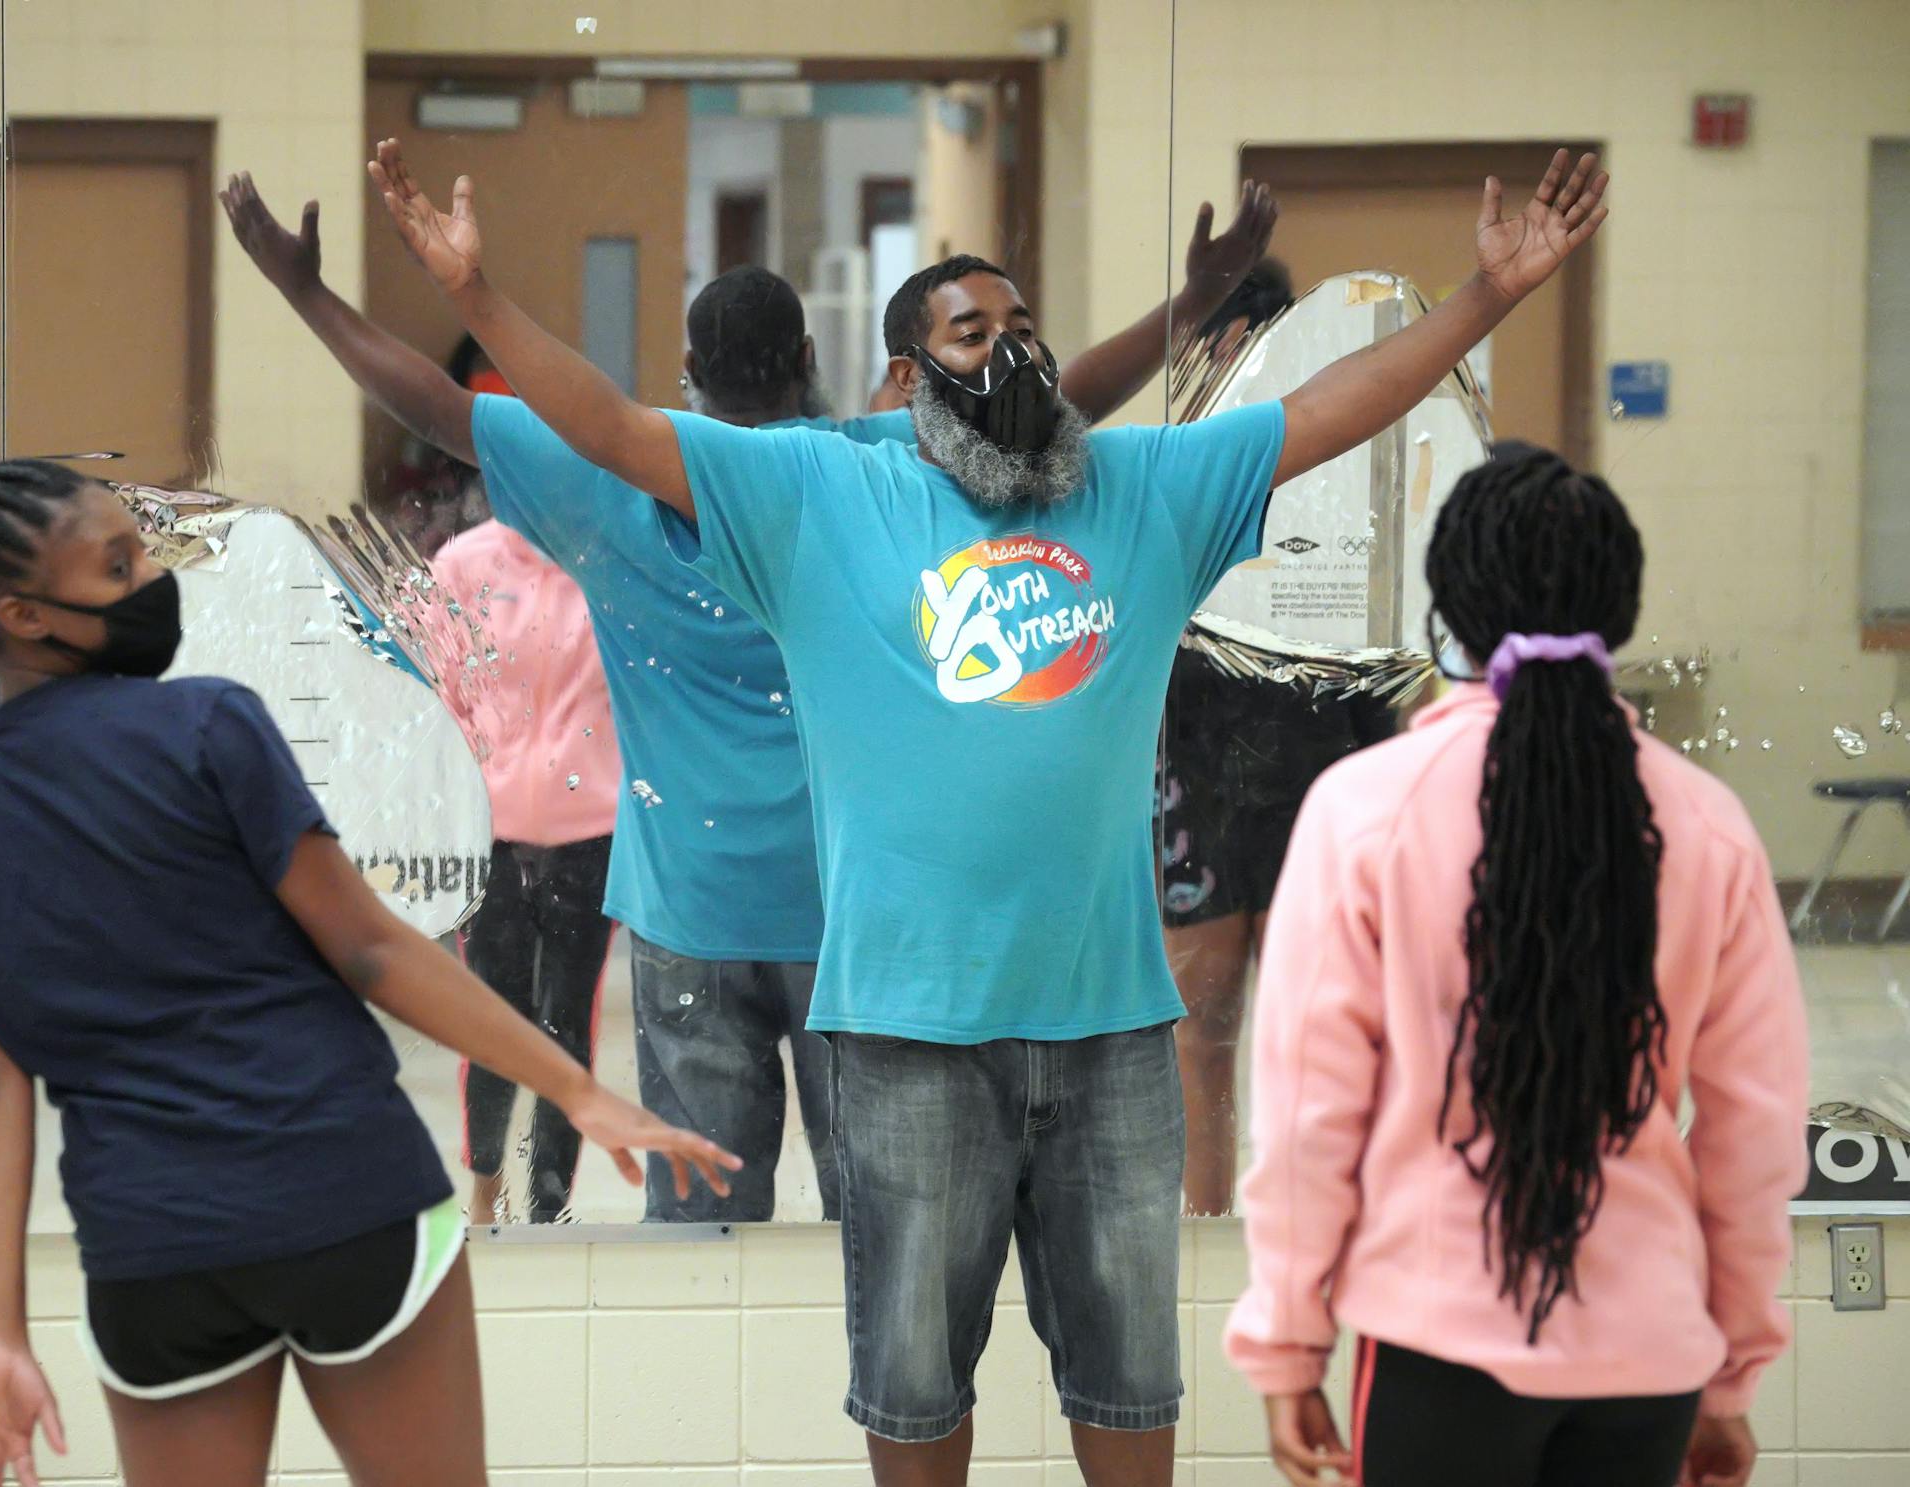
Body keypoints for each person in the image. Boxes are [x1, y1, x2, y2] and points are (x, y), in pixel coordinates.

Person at [371, 133, 1606, 1485]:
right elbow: (607, 425)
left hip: (1112, 1034)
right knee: (912, 1395)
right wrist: (482, 299)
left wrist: (1485, 299)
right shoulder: (820, 493)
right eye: (972, 329)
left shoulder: (1142, 486)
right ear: (904, 379)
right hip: (906, 1037)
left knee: (1131, 1387)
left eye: (1023, 324)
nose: (1010, 348)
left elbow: (1331, 408)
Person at [220, 172, 1273, 1225]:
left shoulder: (615, 480)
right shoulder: (857, 469)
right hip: (848, 911)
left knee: (705, 1228)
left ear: (687, 378)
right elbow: (1044, 400)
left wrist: (307, 295)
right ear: (815, 365)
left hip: (693, 908)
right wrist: (1190, 308)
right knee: (881, 1221)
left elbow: (447, 412)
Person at [0, 425, 737, 1486]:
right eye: (119, 567)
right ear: (22, 615)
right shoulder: (206, 725)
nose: (153, 579)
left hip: (153, 1256)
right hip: (346, 1196)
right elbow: (372, 949)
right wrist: (575, 1087)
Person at [1226, 444, 1807, 1487]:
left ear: (1448, 605)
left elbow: (1311, 1114)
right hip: (1652, 1357)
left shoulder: (1366, 811)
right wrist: (1730, 1371)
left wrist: (1288, 1343)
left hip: (1434, 1345)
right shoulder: (1708, 825)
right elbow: (1754, 1135)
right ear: (1618, 607)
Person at [1149, 257, 1399, 1216]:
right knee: (1200, 1032)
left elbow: (1374, 654)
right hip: (1193, 782)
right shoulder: (1164, 475)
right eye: (1227, 345)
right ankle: (1207, 1232)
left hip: (1313, 777)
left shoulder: (1332, 480)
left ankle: (1317, 1229)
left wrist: (1384, 790)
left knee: (1318, 1036)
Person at [425, 379, 625, 1226]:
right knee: (494, 1013)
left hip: (593, 829)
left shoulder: (609, 562)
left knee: (565, 1021)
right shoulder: (464, 566)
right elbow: (438, 694)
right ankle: (483, 1186)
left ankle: (549, 1203)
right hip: (495, 832)